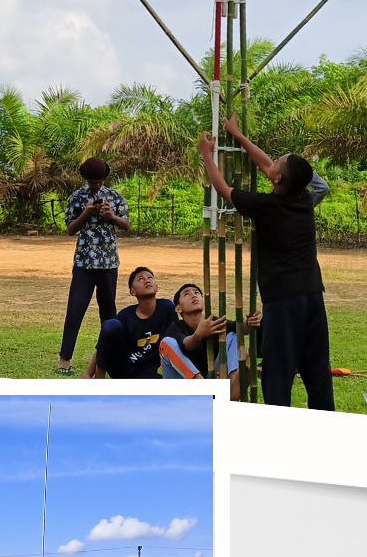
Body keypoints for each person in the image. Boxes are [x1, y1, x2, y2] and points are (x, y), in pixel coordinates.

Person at [197, 114, 334, 411]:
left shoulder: (266, 206)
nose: (271, 163)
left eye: (277, 163)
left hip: (283, 300)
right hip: (312, 295)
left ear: (278, 179)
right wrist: (238, 133)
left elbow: (223, 189)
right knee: (317, 367)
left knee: (278, 368)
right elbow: (267, 166)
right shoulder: (303, 201)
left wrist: (207, 156)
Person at [58, 155, 131, 373]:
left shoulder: (114, 197)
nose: (96, 185)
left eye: (99, 181)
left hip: (109, 263)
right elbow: (70, 229)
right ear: (85, 179)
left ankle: (109, 360)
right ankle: (64, 359)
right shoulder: (77, 197)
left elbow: (126, 225)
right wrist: (86, 213)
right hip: (84, 262)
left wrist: (111, 216)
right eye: (92, 182)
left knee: (109, 313)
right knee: (75, 309)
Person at [87, 266, 179, 380]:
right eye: (140, 279)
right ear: (132, 291)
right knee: (111, 325)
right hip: (120, 368)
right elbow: (103, 344)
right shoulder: (125, 316)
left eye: (150, 277)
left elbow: (177, 338)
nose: (147, 280)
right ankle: (99, 379)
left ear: (156, 287)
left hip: (147, 373)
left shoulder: (167, 308)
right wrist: (88, 374)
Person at [159, 282, 240, 398]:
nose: (193, 295)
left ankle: (233, 385)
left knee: (232, 335)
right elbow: (187, 345)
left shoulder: (212, 322)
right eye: (187, 294)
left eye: (197, 293)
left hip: (210, 378)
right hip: (182, 385)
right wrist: (199, 335)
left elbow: (239, 327)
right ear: (178, 308)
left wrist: (249, 323)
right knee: (166, 343)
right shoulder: (175, 327)